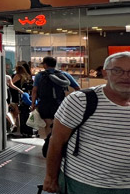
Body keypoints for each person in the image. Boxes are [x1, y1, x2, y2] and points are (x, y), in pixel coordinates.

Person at [42, 52, 130, 193]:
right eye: (117, 70)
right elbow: (56, 141)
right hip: (85, 183)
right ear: (105, 73)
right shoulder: (80, 101)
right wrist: (51, 178)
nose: (126, 76)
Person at [31, 56, 81, 140]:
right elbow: (77, 88)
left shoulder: (39, 75)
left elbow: (34, 91)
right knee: (58, 124)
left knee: (47, 124)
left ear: (45, 65)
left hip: (44, 103)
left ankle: (48, 143)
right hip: (60, 103)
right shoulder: (64, 74)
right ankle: (57, 141)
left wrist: (33, 104)